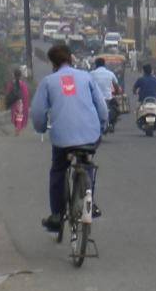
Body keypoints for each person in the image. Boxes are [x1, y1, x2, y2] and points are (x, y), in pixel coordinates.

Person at [31, 44, 109, 233]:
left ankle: (57, 215)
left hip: (62, 140)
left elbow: (38, 114)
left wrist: (41, 129)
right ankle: (90, 198)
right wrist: (102, 126)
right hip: (90, 135)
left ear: (53, 63)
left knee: (58, 169)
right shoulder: (86, 77)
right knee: (87, 163)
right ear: (71, 58)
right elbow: (102, 109)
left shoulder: (48, 82)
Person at [4, 67, 29, 136]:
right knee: (20, 115)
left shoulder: (11, 83)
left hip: (14, 102)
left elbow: (8, 92)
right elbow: (26, 94)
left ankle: (17, 128)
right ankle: (18, 128)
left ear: (13, 75)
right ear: (20, 75)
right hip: (21, 102)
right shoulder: (23, 84)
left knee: (15, 115)